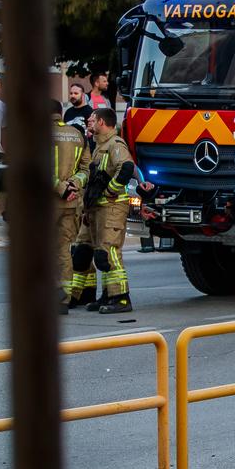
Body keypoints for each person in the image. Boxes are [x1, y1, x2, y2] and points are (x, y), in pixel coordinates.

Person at [69, 107, 136, 313]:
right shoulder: (99, 145)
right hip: (96, 208)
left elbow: (126, 167)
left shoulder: (115, 144)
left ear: (101, 122)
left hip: (112, 208)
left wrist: (109, 191)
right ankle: (105, 295)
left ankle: (121, 298)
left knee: (109, 252)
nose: (89, 121)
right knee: (91, 252)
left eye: (92, 118)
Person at [52, 100, 87, 312]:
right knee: (63, 250)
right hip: (71, 204)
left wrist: (62, 188)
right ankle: (64, 300)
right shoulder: (76, 134)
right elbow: (86, 169)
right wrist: (73, 185)